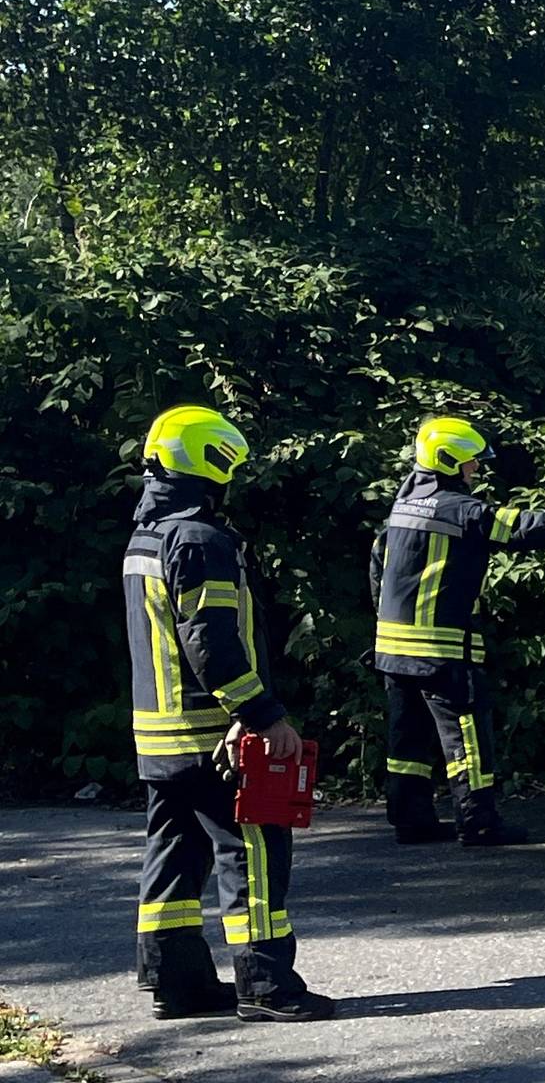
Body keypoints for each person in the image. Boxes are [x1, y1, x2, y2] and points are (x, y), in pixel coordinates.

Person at [124, 405, 335, 1022]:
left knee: (173, 854)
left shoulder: (147, 536)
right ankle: (267, 986)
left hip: (160, 735)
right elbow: (210, 640)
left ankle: (177, 982)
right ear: (212, 461)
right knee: (255, 850)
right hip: (213, 732)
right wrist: (262, 713)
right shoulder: (200, 539)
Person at [370, 415, 545, 846]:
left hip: (393, 650)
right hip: (440, 651)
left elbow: (378, 565)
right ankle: (478, 822)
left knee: (407, 740)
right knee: (466, 737)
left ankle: (411, 820)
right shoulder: (461, 510)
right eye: (470, 462)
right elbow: (523, 527)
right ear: (448, 461)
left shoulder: (402, 505)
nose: (475, 469)